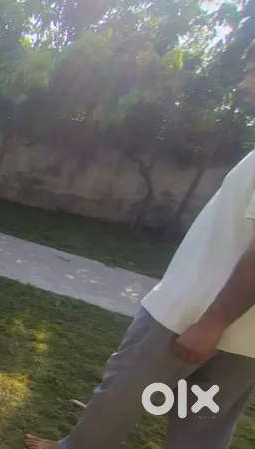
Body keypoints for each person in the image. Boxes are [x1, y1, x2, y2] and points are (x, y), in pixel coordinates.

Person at [24, 44, 255, 449]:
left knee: (124, 396)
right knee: (201, 425)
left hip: (193, 315)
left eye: (252, 71)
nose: (244, 83)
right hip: (242, 336)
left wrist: (212, 322)